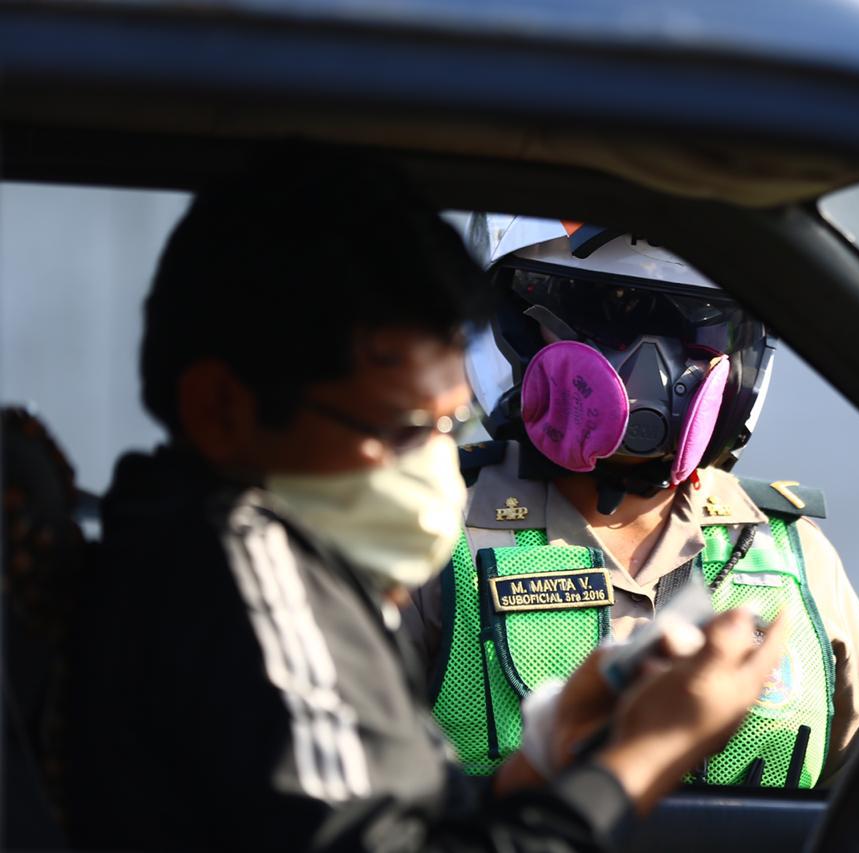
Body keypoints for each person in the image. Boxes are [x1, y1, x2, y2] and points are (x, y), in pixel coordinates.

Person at [67, 150, 786, 851]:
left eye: (448, 427)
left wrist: (548, 748)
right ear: (221, 409)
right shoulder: (245, 583)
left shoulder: (279, 572)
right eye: (403, 429)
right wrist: (642, 758)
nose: (434, 465)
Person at [405, 217, 859, 789]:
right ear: (512, 325)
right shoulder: (433, 535)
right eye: (601, 316)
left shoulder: (791, 555)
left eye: (692, 325)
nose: (650, 368)